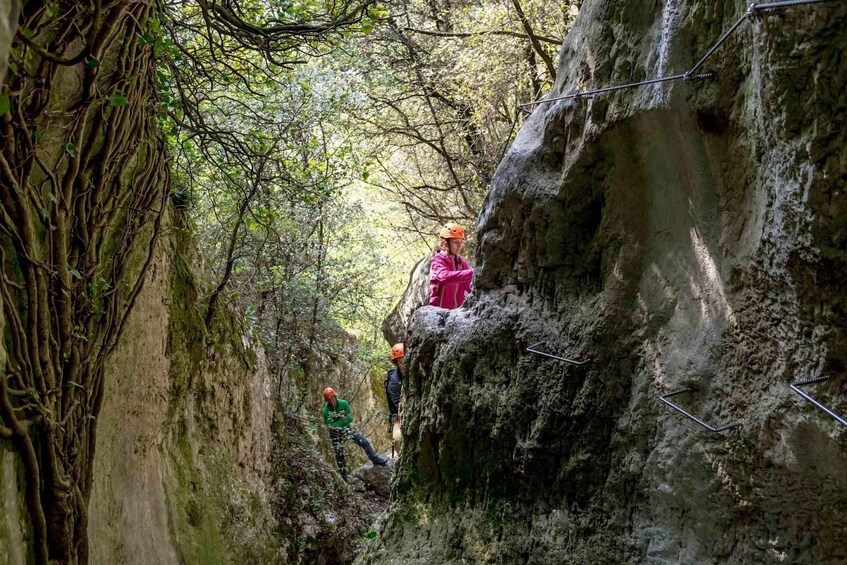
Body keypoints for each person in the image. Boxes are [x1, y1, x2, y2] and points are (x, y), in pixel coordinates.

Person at [321, 387, 387, 480]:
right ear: (326, 400)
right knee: (339, 454)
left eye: (332, 398)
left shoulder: (343, 403)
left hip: (347, 430)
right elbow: (331, 426)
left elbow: (349, 418)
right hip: (335, 434)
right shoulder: (326, 411)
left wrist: (340, 422)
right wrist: (342, 421)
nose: (332, 401)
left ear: (335, 397)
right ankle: (344, 475)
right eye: (329, 399)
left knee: (363, 441)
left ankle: (375, 459)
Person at [429, 222, 474, 309]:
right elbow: (446, 277)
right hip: (438, 313)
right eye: (455, 242)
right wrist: (474, 272)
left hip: (456, 313)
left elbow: (469, 287)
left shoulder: (461, 262)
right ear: (445, 243)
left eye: (461, 242)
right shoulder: (437, 262)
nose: (460, 246)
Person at [385, 343, 404, 455]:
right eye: (401, 362)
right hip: (399, 416)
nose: (404, 364)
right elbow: (398, 405)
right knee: (398, 439)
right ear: (397, 363)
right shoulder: (393, 383)